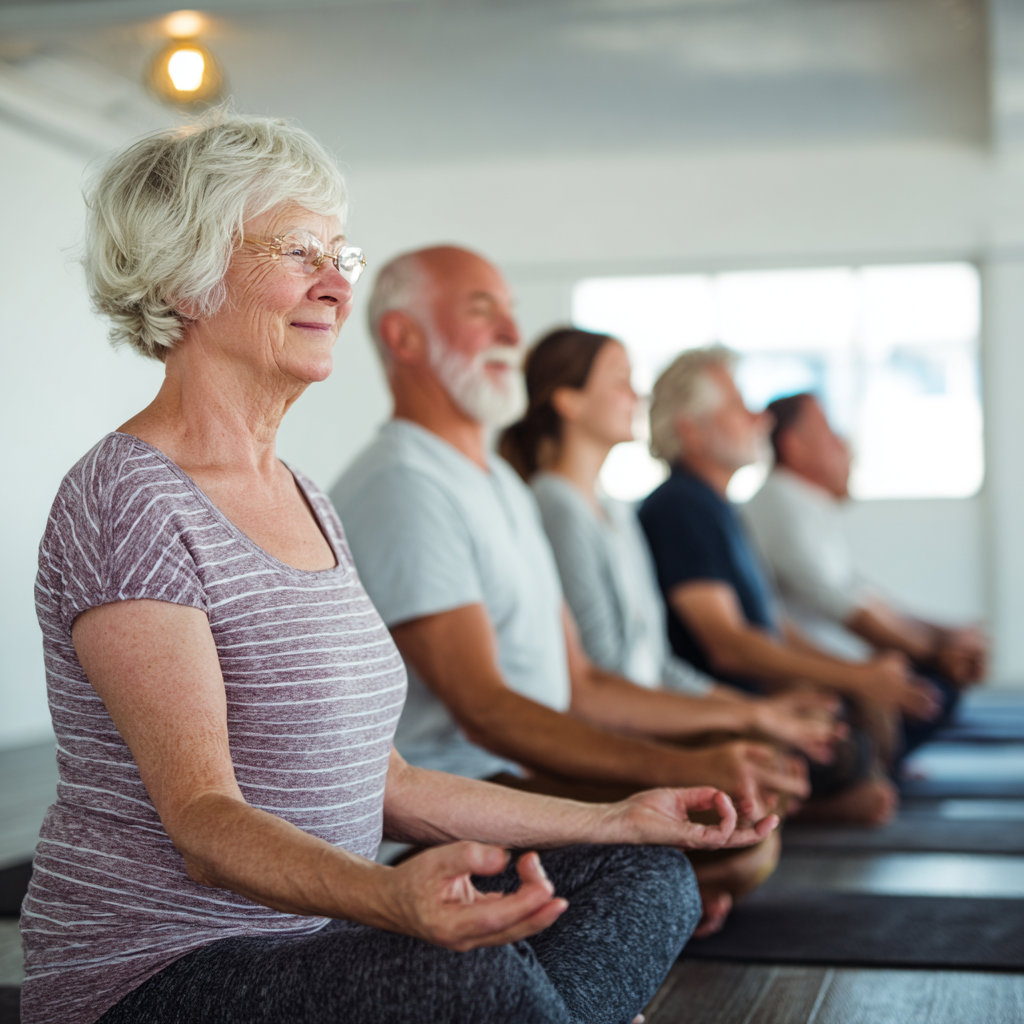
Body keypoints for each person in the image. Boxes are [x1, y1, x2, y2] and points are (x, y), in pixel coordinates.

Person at [21, 114, 776, 1024]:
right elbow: (204, 824)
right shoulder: (128, 499)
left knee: (643, 874)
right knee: (469, 981)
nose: (338, 284)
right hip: (162, 970)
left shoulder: (305, 496)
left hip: (316, 937)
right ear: (187, 276)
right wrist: (394, 903)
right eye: (300, 251)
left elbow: (390, 785)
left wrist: (618, 816)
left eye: (342, 253)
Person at [331, 246, 813, 936]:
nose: (509, 334)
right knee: (708, 854)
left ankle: (632, 923)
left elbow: (582, 683)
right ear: (402, 338)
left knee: (738, 831)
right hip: (451, 805)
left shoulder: (501, 484)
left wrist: (722, 743)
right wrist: (681, 765)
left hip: (521, 771)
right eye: (481, 312)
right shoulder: (404, 483)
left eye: (511, 314)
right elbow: (486, 710)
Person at [638, 346, 949, 823]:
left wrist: (856, 673)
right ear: (690, 428)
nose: (759, 419)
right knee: (851, 742)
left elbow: (771, 623)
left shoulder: (717, 507)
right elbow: (728, 646)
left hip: (758, 699)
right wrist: (854, 679)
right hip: (719, 711)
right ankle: (810, 808)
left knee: (880, 710)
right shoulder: (681, 508)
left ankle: (816, 797)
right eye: (739, 406)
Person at [500, 327, 844, 757]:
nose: (638, 397)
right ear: (570, 401)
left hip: (648, 717)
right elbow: (599, 681)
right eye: (620, 382)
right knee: (764, 777)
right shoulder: (557, 506)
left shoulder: (616, 512)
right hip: (615, 732)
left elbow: (656, 664)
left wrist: (757, 710)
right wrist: (751, 718)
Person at [744, 391, 984, 748]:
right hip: (816, 669)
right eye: (827, 431)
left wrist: (944, 635)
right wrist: (933, 652)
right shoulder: (779, 504)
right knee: (935, 685)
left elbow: (862, 593)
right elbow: (847, 609)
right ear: (793, 445)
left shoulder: (806, 503)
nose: (841, 443)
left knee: (937, 682)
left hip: (839, 662)